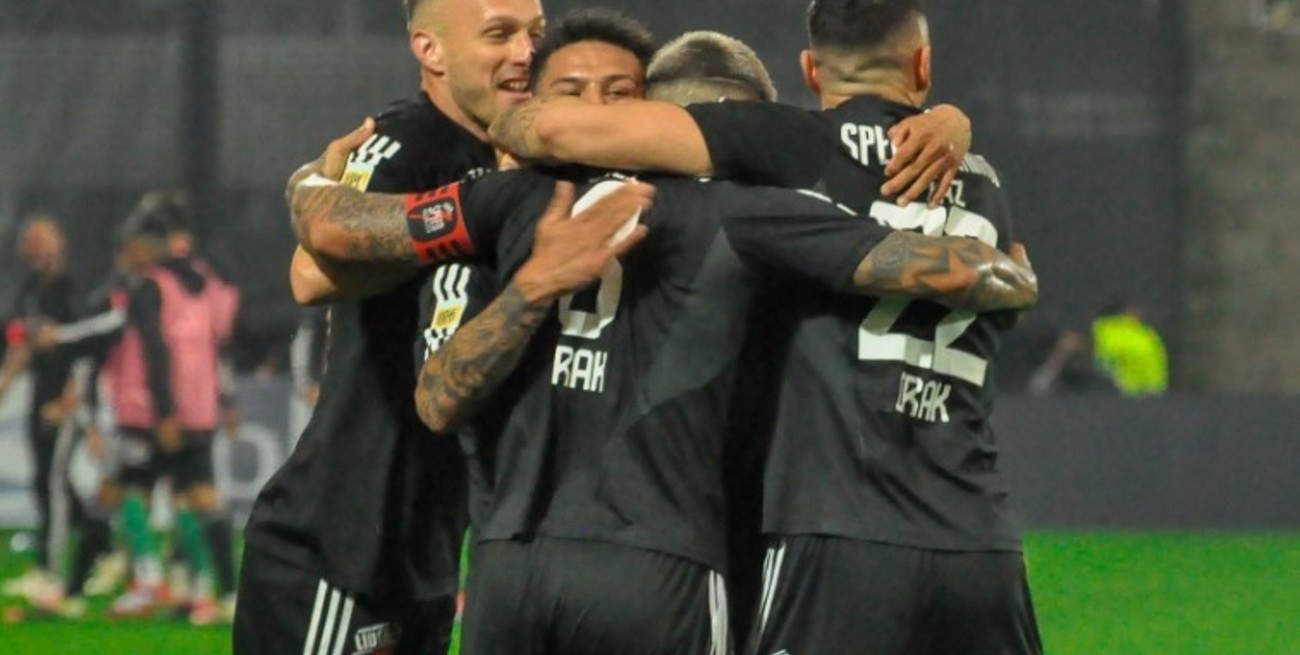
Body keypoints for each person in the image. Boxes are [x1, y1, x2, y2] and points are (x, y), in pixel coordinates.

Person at [289, 25, 1034, 655]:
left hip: (507, 571)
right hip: (666, 569)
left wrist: (309, 185)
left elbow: (415, 366)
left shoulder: (503, 200)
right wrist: (1007, 267)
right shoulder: (751, 216)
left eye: (614, 95)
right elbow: (942, 265)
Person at [489, 1, 1046, 652]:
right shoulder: (983, 180)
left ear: (810, 70)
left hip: (838, 526)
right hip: (981, 537)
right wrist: (955, 122)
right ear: (922, 65)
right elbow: (1002, 301)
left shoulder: (787, 144)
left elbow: (549, 130)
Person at [234, 1, 542, 653]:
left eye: (535, 32)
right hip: (342, 545)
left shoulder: (519, 155)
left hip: (425, 541)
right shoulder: (406, 141)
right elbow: (311, 274)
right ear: (431, 51)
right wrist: (473, 223)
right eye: (500, 34)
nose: (526, 52)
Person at [0, 217, 115, 619]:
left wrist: (72, 401)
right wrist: (5, 384)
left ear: (58, 244)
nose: (32, 248)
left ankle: (51, 570)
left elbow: (84, 348)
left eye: (40, 240)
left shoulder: (71, 289)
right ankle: (103, 550)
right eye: (28, 241)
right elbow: (23, 343)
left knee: (53, 482)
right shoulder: (31, 290)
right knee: (49, 479)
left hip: (66, 396)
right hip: (41, 391)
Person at [1091, 300, 1168, 396]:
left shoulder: (1141, 332)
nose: (1138, 313)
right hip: (1130, 393)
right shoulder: (1109, 332)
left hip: (1145, 391)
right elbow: (1104, 365)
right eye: (1133, 310)